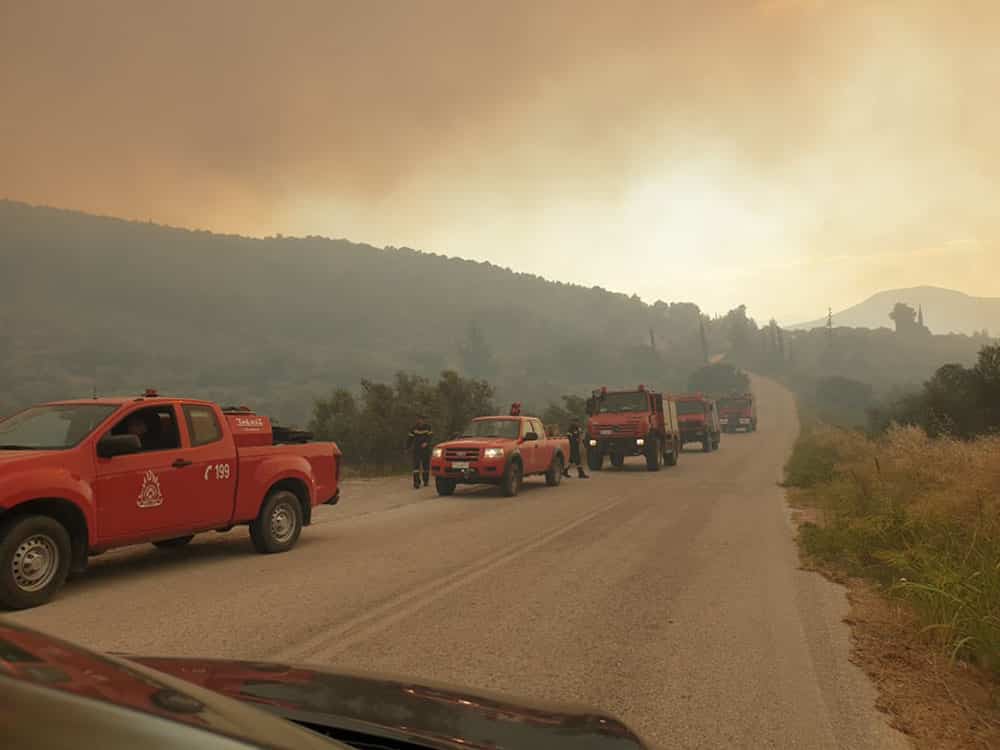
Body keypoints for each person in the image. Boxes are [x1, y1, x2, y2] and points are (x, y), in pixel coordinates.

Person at [407, 415, 433, 489]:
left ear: (424, 420)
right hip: (416, 449)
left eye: (422, 420)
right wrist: (407, 447)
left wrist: (426, 443)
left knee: (425, 466)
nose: (421, 421)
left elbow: (430, 437)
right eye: (419, 419)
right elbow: (410, 438)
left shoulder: (428, 427)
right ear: (417, 420)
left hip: (425, 450)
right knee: (416, 467)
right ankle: (416, 483)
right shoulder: (413, 428)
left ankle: (426, 481)